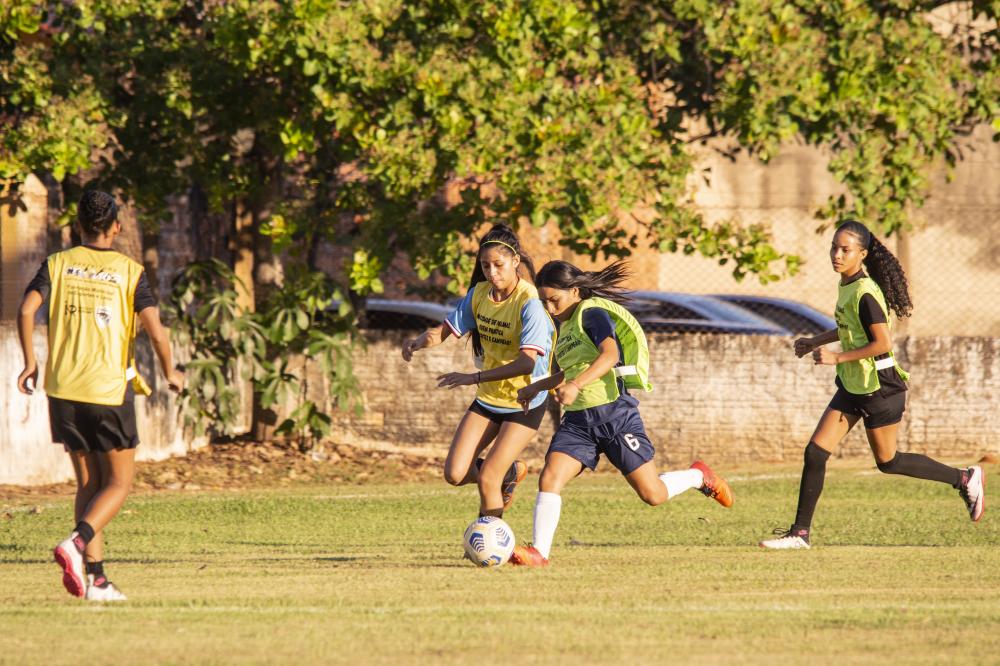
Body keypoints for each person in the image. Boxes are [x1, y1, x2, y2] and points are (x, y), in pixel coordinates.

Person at [760, 220, 985, 550]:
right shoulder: (848, 285)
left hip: (880, 386)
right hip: (855, 385)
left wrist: (836, 358)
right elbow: (850, 327)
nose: (837, 254)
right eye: (834, 248)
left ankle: (964, 479)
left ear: (862, 254)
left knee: (889, 462)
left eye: (845, 250)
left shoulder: (865, 293)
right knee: (816, 452)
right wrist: (814, 341)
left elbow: (882, 342)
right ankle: (800, 534)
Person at [508, 260, 733, 567]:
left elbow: (609, 355)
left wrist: (574, 384)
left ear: (574, 291)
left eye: (554, 299)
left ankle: (698, 476)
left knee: (652, 495)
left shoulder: (593, 313)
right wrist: (538, 386)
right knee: (550, 477)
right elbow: (572, 370)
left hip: (614, 416)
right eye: (543, 301)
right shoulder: (564, 325)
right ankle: (540, 553)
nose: (549, 307)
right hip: (578, 422)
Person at [16, 190, 184, 600]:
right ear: (116, 227)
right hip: (108, 390)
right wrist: (170, 371)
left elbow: (25, 310)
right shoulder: (129, 271)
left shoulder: (58, 263)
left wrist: (30, 362)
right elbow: (157, 332)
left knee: (89, 485)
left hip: (64, 393)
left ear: (78, 227)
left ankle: (98, 581)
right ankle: (75, 544)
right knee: (120, 483)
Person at [401, 224, 554, 519]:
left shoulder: (530, 303)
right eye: (485, 266)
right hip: (489, 399)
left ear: (515, 262)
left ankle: (493, 543)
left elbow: (527, 363)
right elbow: (443, 332)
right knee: (455, 474)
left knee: (487, 479)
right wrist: (417, 342)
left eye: (498, 265)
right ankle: (509, 473)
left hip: (524, 401)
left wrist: (473, 378)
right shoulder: (480, 294)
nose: (492, 272)